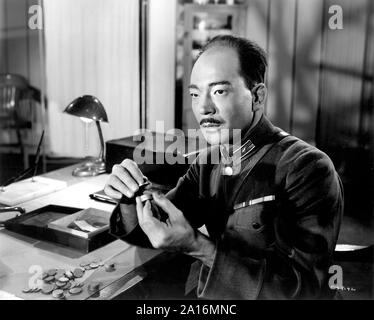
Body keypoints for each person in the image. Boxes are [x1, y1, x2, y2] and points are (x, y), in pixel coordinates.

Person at [104, 35, 343, 299]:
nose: (204, 108)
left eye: (219, 91)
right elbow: (158, 228)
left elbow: (304, 291)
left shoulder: (307, 167)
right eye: (195, 94)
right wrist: (130, 197)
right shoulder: (208, 162)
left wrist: (197, 246)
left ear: (257, 96)